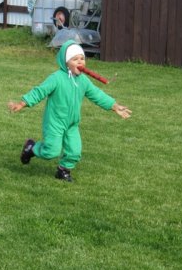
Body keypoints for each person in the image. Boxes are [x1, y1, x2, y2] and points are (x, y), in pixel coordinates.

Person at [8, 40, 131, 182]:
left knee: (75, 151)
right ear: (66, 62)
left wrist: (114, 106)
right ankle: (31, 148)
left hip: (72, 124)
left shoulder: (83, 80)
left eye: (82, 58)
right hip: (55, 122)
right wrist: (23, 103)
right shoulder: (56, 78)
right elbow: (40, 91)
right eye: (75, 59)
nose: (80, 62)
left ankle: (63, 171)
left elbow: (97, 94)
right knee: (51, 151)